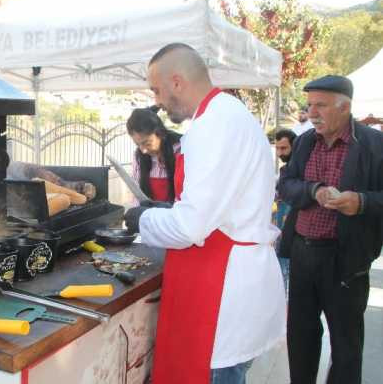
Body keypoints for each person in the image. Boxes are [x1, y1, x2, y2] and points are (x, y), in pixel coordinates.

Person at [124, 43, 285, 384]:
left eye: (157, 89)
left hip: (221, 290)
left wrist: (144, 219)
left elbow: (189, 226)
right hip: (235, 276)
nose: (157, 101)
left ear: (177, 82)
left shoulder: (210, 126)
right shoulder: (230, 112)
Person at [277, 75, 383, 384]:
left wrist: (361, 202)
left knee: (346, 347)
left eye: (320, 105)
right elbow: (286, 184)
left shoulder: (374, 145)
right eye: (310, 105)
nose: (312, 113)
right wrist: (314, 190)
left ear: (345, 107)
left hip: (345, 260)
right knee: (301, 338)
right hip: (302, 253)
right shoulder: (306, 142)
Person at [126, 107, 181, 203]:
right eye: (138, 144)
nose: (143, 150)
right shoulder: (138, 157)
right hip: (150, 215)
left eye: (147, 143)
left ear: (160, 133)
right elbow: (137, 197)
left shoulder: (180, 151)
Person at [273, 128, 297, 292]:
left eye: (284, 148)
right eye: (277, 148)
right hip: (281, 231)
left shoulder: (297, 170)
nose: (280, 153)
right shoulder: (286, 170)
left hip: (291, 232)